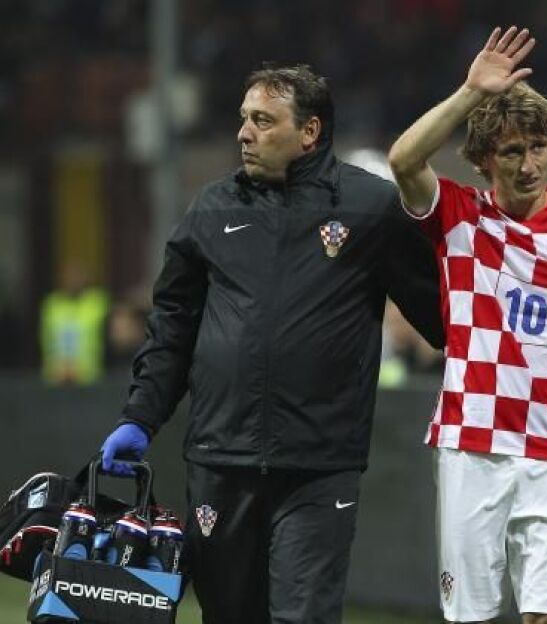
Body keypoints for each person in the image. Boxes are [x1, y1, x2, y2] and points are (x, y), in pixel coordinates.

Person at [97, 64, 443, 624]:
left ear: (309, 131)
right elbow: (173, 328)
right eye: (244, 119)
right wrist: (140, 416)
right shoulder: (212, 210)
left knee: (303, 617)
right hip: (220, 459)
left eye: (262, 120)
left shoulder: (370, 208)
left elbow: (443, 316)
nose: (244, 133)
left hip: (318, 466)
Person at [388, 26, 547, 624]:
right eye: (512, 152)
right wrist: (472, 91)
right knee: (471, 616)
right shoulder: (457, 214)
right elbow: (403, 159)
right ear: (482, 160)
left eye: (540, 147)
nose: (530, 165)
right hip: (473, 441)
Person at [39, 261, 110, 386]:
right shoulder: (51, 304)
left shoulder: (98, 302)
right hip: (55, 377)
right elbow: (45, 339)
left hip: (90, 378)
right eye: (69, 275)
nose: (74, 280)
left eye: (78, 275)